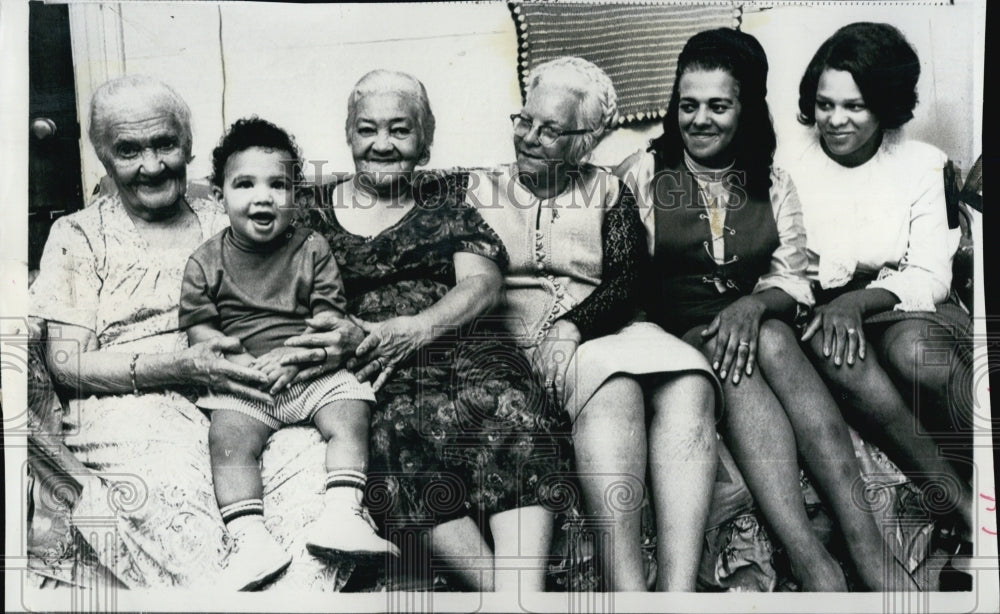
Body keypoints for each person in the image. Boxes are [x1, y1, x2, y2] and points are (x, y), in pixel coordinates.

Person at [617, 29, 913, 591]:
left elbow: (792, 280)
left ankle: (865, 543)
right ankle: (810, 558)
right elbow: (624, 280)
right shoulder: (643, 174)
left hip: (756, 330)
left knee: (770, 339)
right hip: (672, 333)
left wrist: (751, 305)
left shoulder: (772, 180)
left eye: (718, 106)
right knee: (739, 353)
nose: (700, 119)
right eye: (688, 105)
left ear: (746, 108)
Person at [282, 70, 570, 592]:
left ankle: (521, 593)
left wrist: (418, 327)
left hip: (460, 351)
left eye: (400, 130)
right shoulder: (310, 211)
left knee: (511, 405)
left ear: (425, 142)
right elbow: (272, 287)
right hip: (372, 366)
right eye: (367, 129)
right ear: (348, 135)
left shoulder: (444, 205)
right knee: (394, 428)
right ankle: (510, 599)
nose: (382, 144)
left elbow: (483, 283)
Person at [465, 56, 720, 592]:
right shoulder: (476, 192)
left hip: (605, 332)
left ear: (586, 141)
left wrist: (573, 325)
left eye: (550, 130)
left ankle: (677, 595)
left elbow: (630, 280)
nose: (529, 138)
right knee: (615, 387)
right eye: (524, 121)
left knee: (692, 382)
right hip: (529, 344)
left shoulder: (608, 191)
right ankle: (628, 591)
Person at [29, 76, 272, 587]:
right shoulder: (77, 235)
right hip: (126, 402)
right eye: (129, 150)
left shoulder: (231, 220)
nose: (152, 165)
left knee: (307, 481)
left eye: (165, 143)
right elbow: (68, 363)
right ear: (103, 158)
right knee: (182, 506)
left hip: (238, 396)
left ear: (187, 144)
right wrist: (179, 365)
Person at [178, 117, 396, 591]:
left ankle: (342, 512)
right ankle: (249, 538)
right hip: (247, 380)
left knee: (353, 404)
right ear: (218, 196)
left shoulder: (311, 248)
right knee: (227, 437)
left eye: (278, 185)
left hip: (309, 372)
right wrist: (239, 367)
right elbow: (201, 332)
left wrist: (296, 360)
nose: (263, 197)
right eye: (244, 184)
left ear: (296, 197)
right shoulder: (204, 261)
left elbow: (329, 322)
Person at [785, 22, 974, 544]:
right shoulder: (786, 163)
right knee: (834, 347)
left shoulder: (921, 165)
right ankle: (959, 501)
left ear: (886, 104)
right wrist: (835, 305)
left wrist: (858, 301)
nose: (835, 120)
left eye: (855, 106)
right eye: (825, 104)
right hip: (819, 307)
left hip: (901, 301)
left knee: (918, 352)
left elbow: (932, 273)